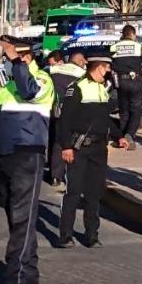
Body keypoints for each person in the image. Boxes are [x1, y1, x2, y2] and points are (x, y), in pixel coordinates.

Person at [0, 35, 54, 284]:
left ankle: (15, 276)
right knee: (15, 215)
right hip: (6, 155)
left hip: (28, 154)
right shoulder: (7, 86)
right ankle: (29, 269)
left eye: (13, 58)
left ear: (26, 57)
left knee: (22, 216)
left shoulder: (42, 80)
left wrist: (15, 60)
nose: (8, 62)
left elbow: (29, 91)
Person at [56, 48, 129, 249]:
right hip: (79, 149)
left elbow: (105, 119)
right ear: (98, 67)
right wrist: (67, 147)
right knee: (73, 192)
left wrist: (120, 136)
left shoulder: (102, 89)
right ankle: (66, 235)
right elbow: (65, 121)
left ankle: (91, 235)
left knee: (94, 193)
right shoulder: (77, 88)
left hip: (99, 148)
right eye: (107, 67)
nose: (108, 71)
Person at [46, 50, 85, 188]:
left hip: (56, 111)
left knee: (57, 143)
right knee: (74, 143)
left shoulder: (54, 69)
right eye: (84, 62)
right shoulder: (82, 74)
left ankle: (55, 176)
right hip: (74, 113)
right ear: (79, 61)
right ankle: (71, 175)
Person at [110, 24, 142, 149]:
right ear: (133, 34)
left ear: (122, 34)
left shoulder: (114, 47)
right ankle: (130, 135)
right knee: (136, 110)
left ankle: (122, 137)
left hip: (120, 82)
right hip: (136, 81)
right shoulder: (138, 46)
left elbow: (110, 64)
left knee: (124, 111)